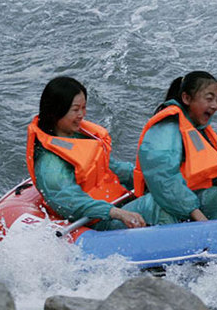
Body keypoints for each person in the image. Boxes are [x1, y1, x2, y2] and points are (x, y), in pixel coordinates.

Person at [26, 77, 170, 231]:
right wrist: (115, 212)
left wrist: (149, 175)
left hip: (116, 202)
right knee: (160, 205)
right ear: (56, 112)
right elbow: (71, 202)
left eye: (83, 108)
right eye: (75, 110)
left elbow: (112, 167)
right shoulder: (49, 162)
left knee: (169, 191)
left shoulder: (79, 137)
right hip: (97, 220)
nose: (82, 114)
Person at [133, 71, 217, 222]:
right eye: (209, 99)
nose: (215, 106)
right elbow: (163, 179)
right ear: (186, 98)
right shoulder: (167, 128)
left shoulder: (193, 125)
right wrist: (195, 213)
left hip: (197, 189)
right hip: (176, 201)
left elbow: (215, 160)